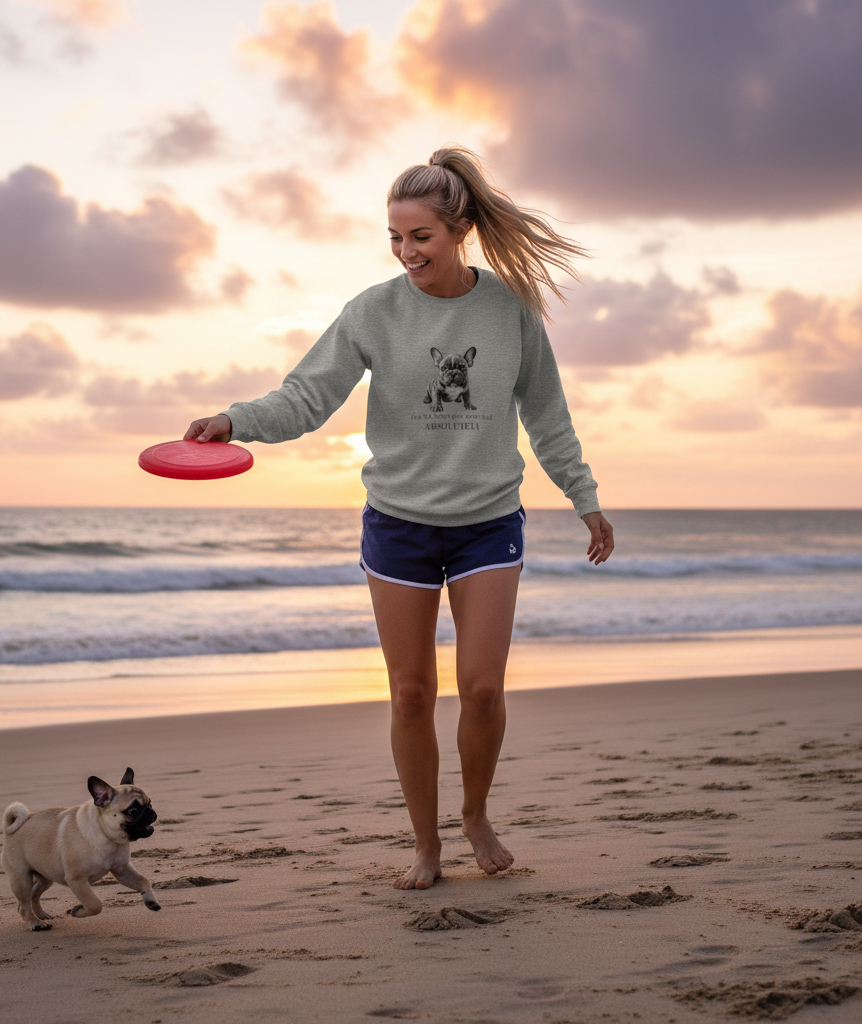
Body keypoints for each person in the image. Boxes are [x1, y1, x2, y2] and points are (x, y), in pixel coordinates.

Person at [186, 147, 614, 890]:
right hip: (398, 523)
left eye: (420, 236)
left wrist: (585, 496)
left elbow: (547, 415)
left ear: (458, 232)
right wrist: (236, 420)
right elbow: (306, 396)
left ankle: (475, 813)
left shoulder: (509, 310)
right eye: (394, 236)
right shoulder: (373, 312)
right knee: (411, 692)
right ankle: (427, 844)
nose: (406, 251)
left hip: (487, 519)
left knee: (481, 688)